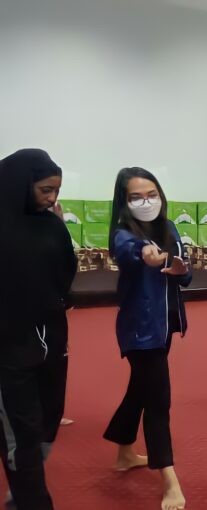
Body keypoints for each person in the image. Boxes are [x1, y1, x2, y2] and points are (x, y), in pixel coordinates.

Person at [104, 167, 188, 509]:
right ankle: (169, 478)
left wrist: (180, 269)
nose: (146, 202)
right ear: (124, 202)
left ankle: (124, 451)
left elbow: (185, 271)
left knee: (140, 388)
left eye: (151, 194)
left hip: (166, 324)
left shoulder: (169, 227)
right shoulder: (123, 233)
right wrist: (145, 254)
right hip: (140, 329)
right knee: (158, 400)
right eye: (136, 197)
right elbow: (127, 251)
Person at [0, 149, 76, 510]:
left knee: (48, 421)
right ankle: (31, 499)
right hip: (8, 348)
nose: (52, 198)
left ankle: (22, 490)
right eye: (46, 189)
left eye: (56, 190)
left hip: (50, 339)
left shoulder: (52, 225)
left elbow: (65, 273)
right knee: (22, 432)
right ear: (21, 184)